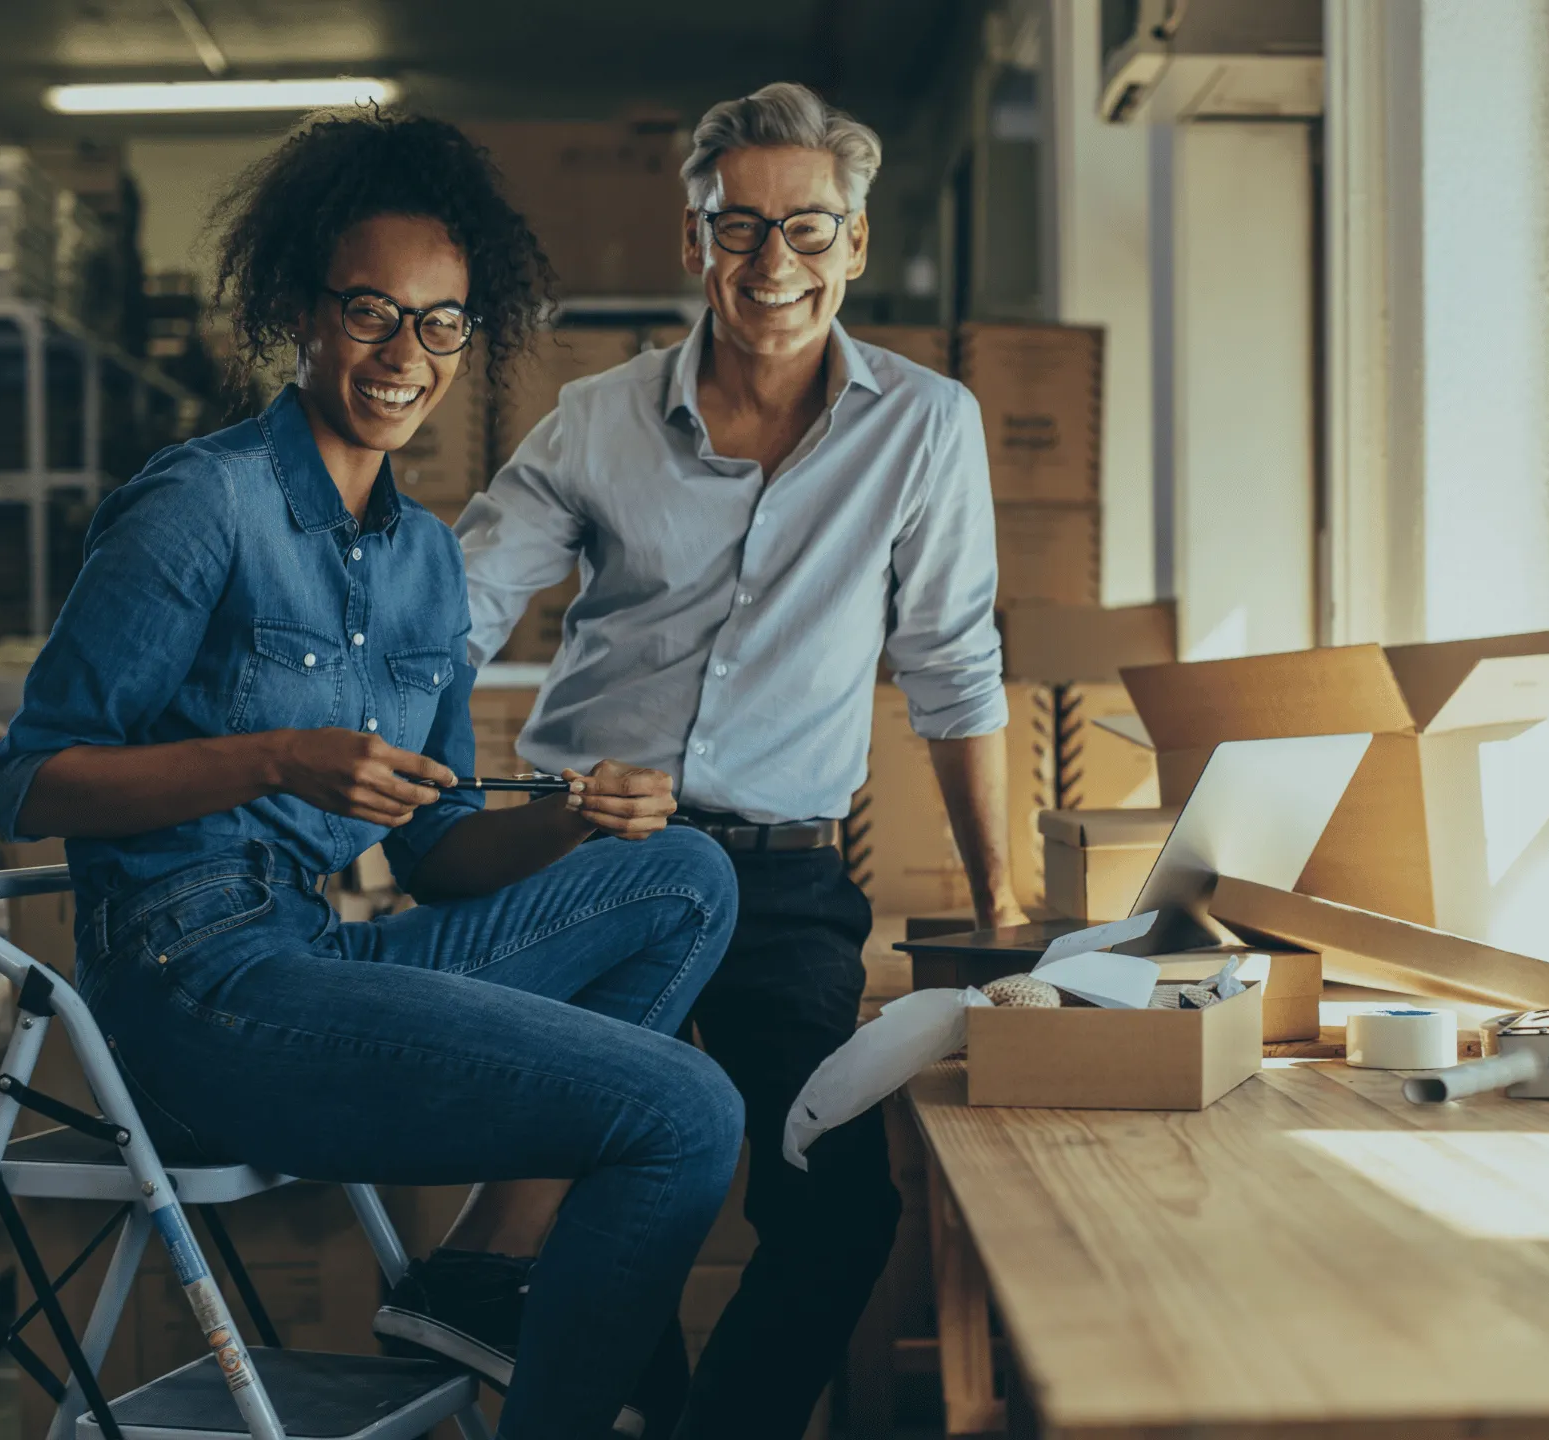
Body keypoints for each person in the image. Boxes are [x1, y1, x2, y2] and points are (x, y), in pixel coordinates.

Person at [0, 110, 743, 1440]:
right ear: (300, 309)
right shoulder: (199, 505)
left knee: (681, 874)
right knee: (684, 1111)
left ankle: (477, 1272)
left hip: (322, 957)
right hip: (191, 993)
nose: (407, 356)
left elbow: (441, 846)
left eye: (442, 323)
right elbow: (35, 783)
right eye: (372, 313)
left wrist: (570, 818)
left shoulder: (426, 564)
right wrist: (277, 760)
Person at [457, 82, 1018, 1440]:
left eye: (809, 230)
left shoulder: (925, 426)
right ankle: (616, 1414)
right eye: (741, 228)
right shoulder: (596, 421)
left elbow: (951, 662)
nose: (776, 266)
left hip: (784, 877)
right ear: (693, 240)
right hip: (598, 860)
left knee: (835, 1204)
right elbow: (457, 609)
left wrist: (1000, 899)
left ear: (858, 243)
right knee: (614, 1183)